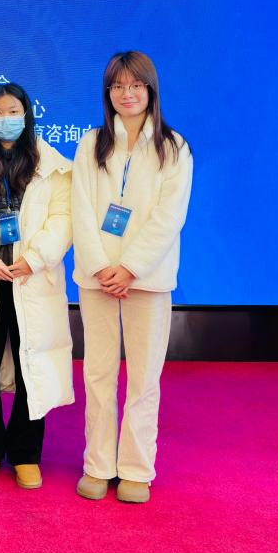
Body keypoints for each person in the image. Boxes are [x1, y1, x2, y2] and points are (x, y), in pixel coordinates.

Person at [72, 50, 192, 504]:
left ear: (150, 89)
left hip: (148, 279)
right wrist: (103, 267)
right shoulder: (91, 144)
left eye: (136, 85)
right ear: (108, 93)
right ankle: (98, 464)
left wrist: (131, 268)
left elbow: (169, 217)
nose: (127, 94)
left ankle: (137, 468)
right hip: (97, 278)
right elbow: (81, 210)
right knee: (98, 373)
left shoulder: (173, 148)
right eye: (118, 86)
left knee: (144, 378)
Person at [0, 83, 74, 490]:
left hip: (31, 279)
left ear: (27, 114)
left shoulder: (52, 164)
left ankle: (25, 452)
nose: (6, 119)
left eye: (14, 111)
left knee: (30, 364)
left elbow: (63, 219)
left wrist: (34, 259)